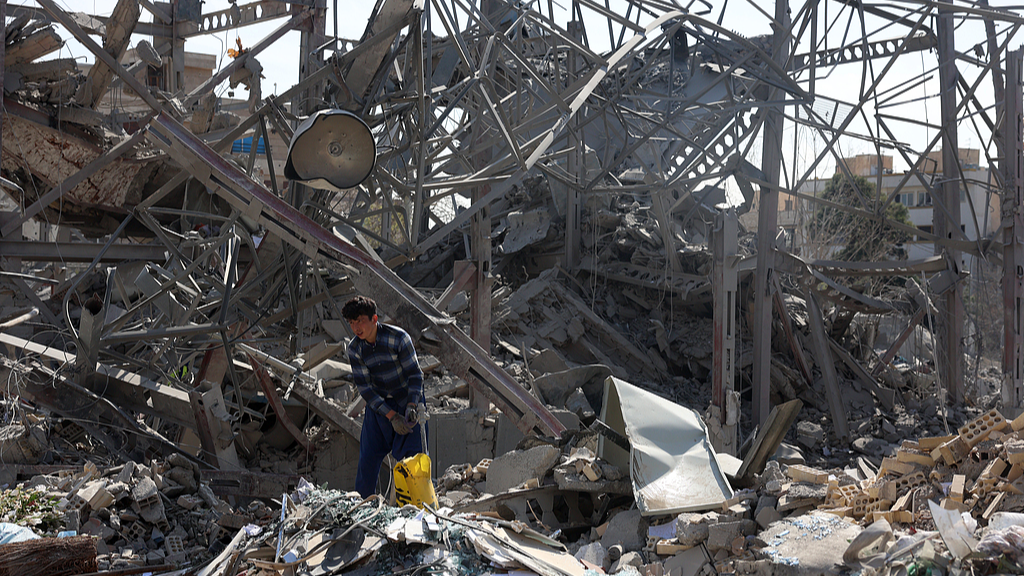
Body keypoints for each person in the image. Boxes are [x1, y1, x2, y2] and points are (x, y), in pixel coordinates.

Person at [342, 296, 425, 497]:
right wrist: (390, 416)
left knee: (412, 463)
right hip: (379, 407)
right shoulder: (355, 349)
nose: (356, 328)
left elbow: (415, 375)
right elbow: (366, 389)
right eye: (352, 323)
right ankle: (362, 507)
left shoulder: (398, 338)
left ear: (374, 319)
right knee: (368, 461)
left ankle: (414, 510)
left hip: (407, 400)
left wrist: (412, 406)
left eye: (360, 321)